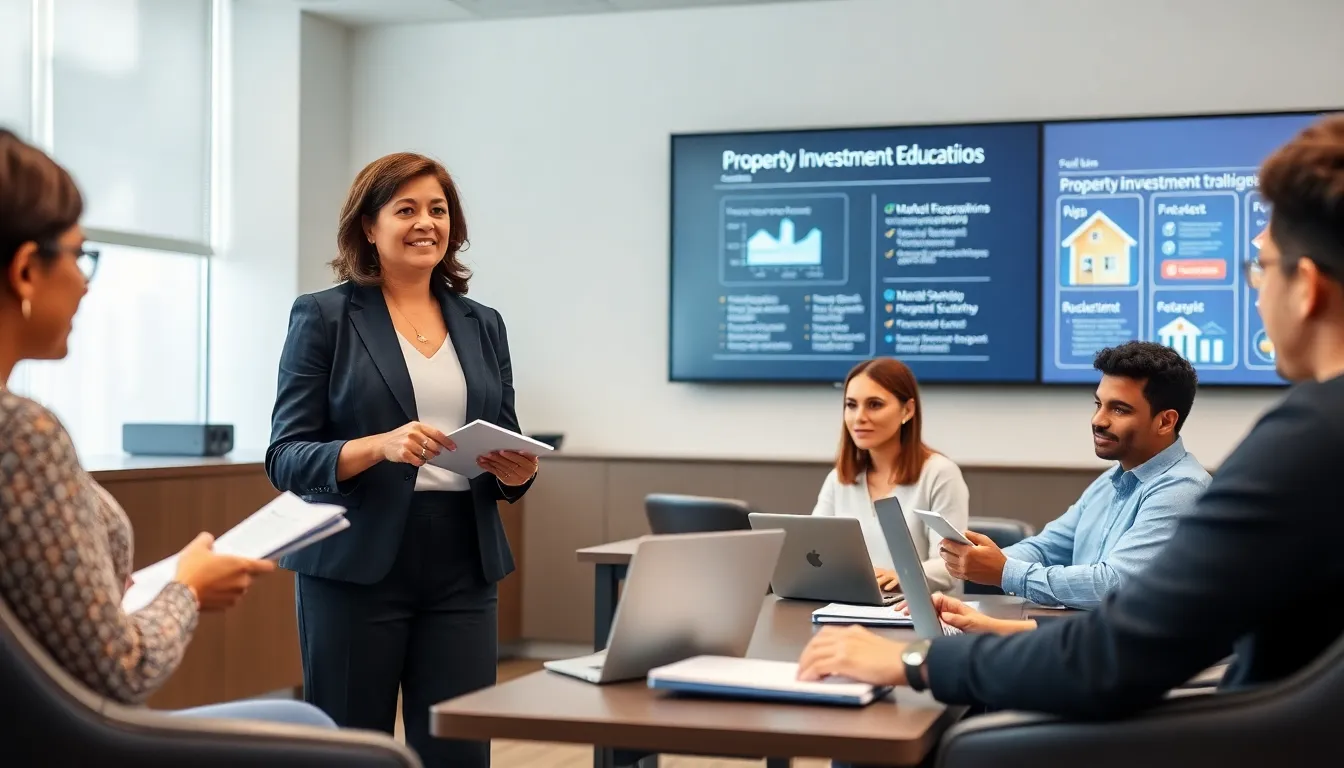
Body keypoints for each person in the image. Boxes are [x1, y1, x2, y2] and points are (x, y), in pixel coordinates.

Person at [797, 112, 1344, 723]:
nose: (1257, 291)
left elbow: (1115, 650)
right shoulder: (1130, 480)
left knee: (929, 721)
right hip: (1234, 720)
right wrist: (994, 609)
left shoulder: (1308, 442)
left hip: (1208, 733)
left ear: (1307, 288)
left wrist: (915, 662)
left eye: (1260, 268)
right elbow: (1100, 600)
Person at [0, 129, 333, 727]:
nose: (85, 280)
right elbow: (124, 669)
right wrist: (187, 589)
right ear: (26, 270)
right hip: (70, 737)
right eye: (80, 256)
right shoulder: (21, 437)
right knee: (317, 729)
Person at [266, 151, 539, 767]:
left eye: (438, 210)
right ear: (369, 226)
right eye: (406, 209)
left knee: (459, 751)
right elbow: (285, 456)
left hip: (463, 560)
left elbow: (508, 437)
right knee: (349, 751)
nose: (426, 223)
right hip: (354, 560)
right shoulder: (324, 317)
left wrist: (516, 471)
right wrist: (377, 447)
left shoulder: (483, 324)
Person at [938, 340, 1210, 609]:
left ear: (1165, 421)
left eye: (1119, 409)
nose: (1098, 420)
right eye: (1098, 404)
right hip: (1087, 640)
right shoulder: (1110, 481)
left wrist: (1004, 571)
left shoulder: (1183, 488)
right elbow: (1046, 548)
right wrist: (981, 559)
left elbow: (1112, 587)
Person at [811, 357, 969, 594]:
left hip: (921, 614)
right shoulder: (838, 479)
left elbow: (952, 567)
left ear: (907, 410)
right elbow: (812, 550)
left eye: (874, 404)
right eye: (851, 405)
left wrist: (901, 576)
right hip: (851, 607)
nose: (859, 417)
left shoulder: (939, 474)